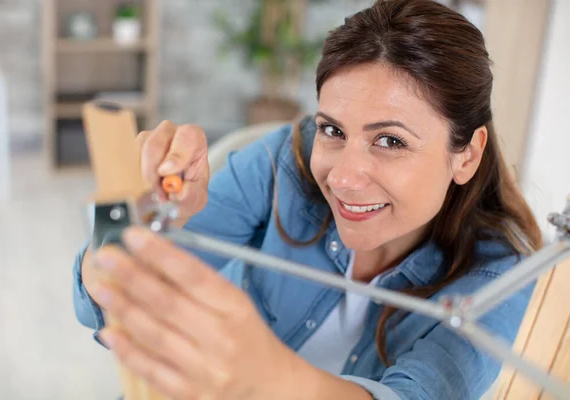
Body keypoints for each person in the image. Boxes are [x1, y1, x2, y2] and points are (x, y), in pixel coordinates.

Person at [72, 0, 543, 399]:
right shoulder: (288, 159)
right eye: (333, 130)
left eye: (391, 141)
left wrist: (270, 376)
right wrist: (136, 218)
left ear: (467, 155)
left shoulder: (499, 270)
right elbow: (103, 298)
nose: (343, 177)